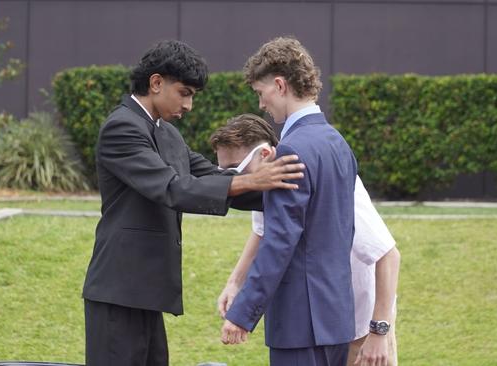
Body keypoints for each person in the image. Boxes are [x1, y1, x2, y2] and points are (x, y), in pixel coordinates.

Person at [81, 40, 305, 366]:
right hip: (118, 292)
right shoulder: (121, 128)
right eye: (184, 92)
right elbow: (173, 188)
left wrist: (289, 193)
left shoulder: (168, 133)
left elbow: (210, 176)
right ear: (156, 83)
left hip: (145, 292)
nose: (189, 105)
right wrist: (249, 180)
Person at [211, 114, 400, 366]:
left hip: (362, 322)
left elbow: (388, 255)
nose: (234, 181)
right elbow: (263, 232)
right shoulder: (268, 183)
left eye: (235, 169)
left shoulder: (324, 178)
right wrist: (235, 283)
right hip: (319, 319)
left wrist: (379, 331)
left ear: (265, 155)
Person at [218, 36, 357, 366]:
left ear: (279, 85)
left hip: (300, 322)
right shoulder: (338, 144)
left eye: (260, 93)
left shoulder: (291, 150)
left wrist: (242, 314)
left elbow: (280, 240)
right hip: (336, 317)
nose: (261, 104)